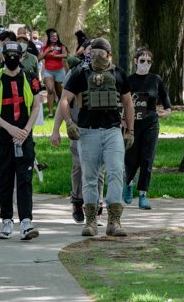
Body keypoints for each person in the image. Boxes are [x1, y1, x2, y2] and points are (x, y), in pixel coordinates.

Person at [52, 37, 135, 237]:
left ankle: (114, 221)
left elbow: (128, 103)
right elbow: (65, 100)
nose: (97, 56)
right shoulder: (80, 73)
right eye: (93, 53)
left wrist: (130, 130)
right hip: (87, 132)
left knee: (116, 172)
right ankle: (90, 221)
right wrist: (69, 123)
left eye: (101, 53)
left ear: (109, 55)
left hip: (112, 131)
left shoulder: (119, 74)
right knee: (89, 177)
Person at [0, 42, 42, 241]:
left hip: (24, 137)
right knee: (5, 180)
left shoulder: (30, 78)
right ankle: (6, 220)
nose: (12, 58)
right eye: (8, 54)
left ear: (22, 56)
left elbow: (36, 106)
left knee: (24, 180)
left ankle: (26, 221)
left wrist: (25, 130)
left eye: (15, 54)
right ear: (2, 56)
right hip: (1, 137)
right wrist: (9, 128)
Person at [124, 47, 171, 210]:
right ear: (135, 61)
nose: (146, 64)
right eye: (142, 60)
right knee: (131, 157)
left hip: (151, 122)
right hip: (132, 123)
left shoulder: (155, 79)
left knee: (147, 158)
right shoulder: (128, 80)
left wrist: (167, 111)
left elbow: (165, 98)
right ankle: (128, 183)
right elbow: (122, 102)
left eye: (149, 61)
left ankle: (143, 194)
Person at [38, 28, 68, 118]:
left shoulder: (61, 46)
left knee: (60, 92)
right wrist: (47, 51)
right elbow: (39, 58)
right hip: (48, 71)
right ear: (49, 38)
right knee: (50, 90)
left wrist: (55, 55)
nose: (54, 38)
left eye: (55, 36)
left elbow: (65, 55)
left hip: (59, 71)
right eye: (52, 36)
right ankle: (51, 113)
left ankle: (62, 110)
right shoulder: (45, 47)